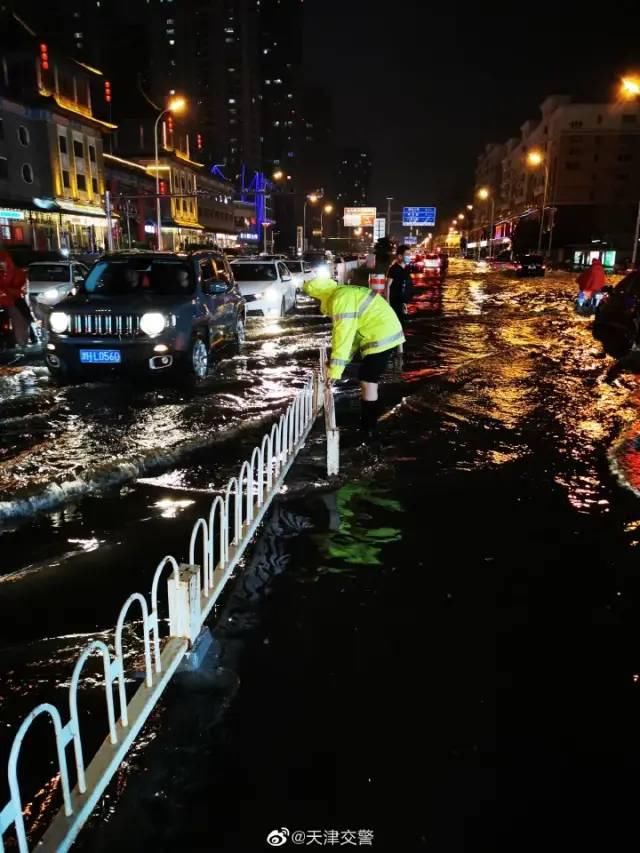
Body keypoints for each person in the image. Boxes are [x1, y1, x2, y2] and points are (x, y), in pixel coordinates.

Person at [303, 277, 405, 440]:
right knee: (367, 379)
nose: (314, 303)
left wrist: (335, 372)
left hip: (381, 336)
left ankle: (368, 428)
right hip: (381, 333)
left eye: (313, 298)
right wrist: (341, 362)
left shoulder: (340, 300)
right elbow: (352, 338)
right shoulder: (343, 293)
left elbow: (343, 336)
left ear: (318, 295)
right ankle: (368, 424)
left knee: (367, 381)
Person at [0, 249, 29, 347]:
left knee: (18, 317)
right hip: (4, 303)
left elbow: (20, 290)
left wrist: (6, 291)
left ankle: (21, 342)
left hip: (12, 302)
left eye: (2, 263)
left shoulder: (18, 274)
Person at [386, 247, 413, 324]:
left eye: (409, 254)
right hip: (394, 303)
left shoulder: (406, 269)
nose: (409, 256)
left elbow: (404, 286)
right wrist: (388, 304)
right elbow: (387, 286)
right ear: (400, 256)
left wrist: (404, 303)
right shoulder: (394, 269)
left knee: (403, 324)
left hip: (402, 304)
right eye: (407, 254)